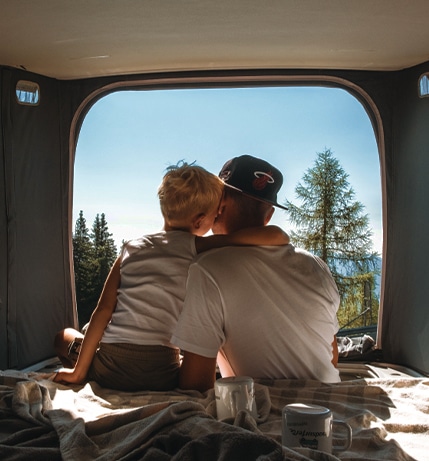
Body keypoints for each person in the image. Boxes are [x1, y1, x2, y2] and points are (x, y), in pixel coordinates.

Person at [54, 162, 289, 391]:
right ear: (199, 221)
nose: (216, 218)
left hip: (111, 368)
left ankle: (80, 369)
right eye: (215, 215)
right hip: (161, 371)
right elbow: (277, 236)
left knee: (64, 336)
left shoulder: (130, 248)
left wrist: (79, 373)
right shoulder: (197, 247)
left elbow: (103, 311)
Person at [171, 155, 341, 392]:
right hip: (329, 401)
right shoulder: (317, 265)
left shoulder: (208, 268)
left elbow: (196, 384)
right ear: (269, 214)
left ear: (218, 205)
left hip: (263, 408)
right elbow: (331, 357)